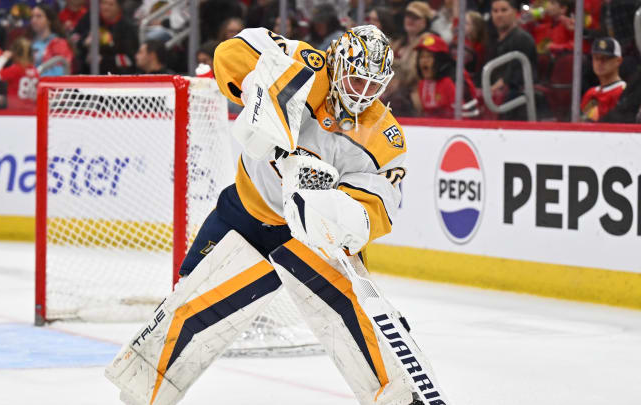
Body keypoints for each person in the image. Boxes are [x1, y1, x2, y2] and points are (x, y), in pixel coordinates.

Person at [106, 25, 446, 405]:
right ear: (336, 62)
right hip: (244, 214)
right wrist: (261, 102)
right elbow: (229, 54)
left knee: (354, 318)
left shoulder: (384, 138)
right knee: (188, 302)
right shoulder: (303, 66)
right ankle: (142, 389)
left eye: (372, 86)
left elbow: (376, 208)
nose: (360, 94)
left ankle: (399, 396)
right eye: (355, 80)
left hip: (306, 237)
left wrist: (327, 206)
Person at [485, 0, 538, 120]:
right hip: (496, 96)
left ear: (514, 12)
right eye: (495, 11)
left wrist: (491, 89)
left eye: (504, 10)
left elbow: (514, 76)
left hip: (517, 100)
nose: (499, 14)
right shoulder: (492, 41)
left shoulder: (522, 39)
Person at [416, 33, 479, 118]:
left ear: (441, 60)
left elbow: (467, 115)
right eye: (421, 57)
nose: (424, 61)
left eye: (429, 57)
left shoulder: (454, 81)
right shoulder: (422, 84)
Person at [73, 0, 138, 74]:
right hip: (87, 73)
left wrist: (103, 60)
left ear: (119, 7)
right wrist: (84, 42)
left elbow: (130, 60)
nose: (106, 7)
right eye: (103, 3)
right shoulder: (91, 17)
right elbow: (74, 38)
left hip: (116, 76)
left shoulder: (127, 28)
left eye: (111, 4)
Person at [580, 37, 626, 122]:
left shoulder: (624, 92)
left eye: (605, 58)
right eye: (596, 58)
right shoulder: (590, 93)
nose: (599, 62)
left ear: (618, 61)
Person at [0, 37, 38, 110]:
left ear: (14, 53)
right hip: (31, 110)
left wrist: (3, 58)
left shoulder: (17, 69)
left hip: (16, 110)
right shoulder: (34, 70)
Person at [30, 5, 74, 77]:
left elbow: (61, 73)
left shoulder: (59, 44)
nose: (34, 20)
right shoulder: (30, 43)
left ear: (49, 20)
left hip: (49, 85)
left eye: (39, 16)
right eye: (32, 17)